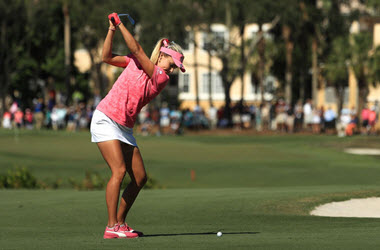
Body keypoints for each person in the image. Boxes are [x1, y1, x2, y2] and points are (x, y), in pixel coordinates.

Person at [90, 13, 186, 239]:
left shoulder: (160, 78)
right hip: (105, 118)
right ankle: (111, 226)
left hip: (123, 127)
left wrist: (120, 23)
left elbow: (138, 51)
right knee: (119, 170)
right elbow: (106, 57)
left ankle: (120, 223)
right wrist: (113, 29)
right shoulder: (134, 62)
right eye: (172, 64)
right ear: (162, 55)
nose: (172, 70)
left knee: (140, 177)